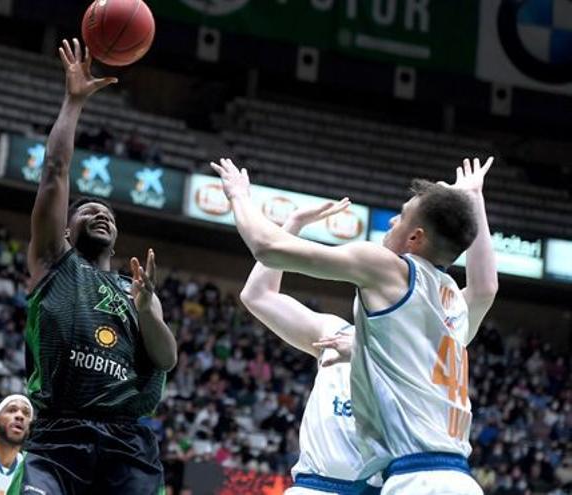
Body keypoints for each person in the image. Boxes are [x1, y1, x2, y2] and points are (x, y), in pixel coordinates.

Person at [211, 157, 498, 495]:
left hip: (417, 479)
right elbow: (485, 287)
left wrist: (239, 196)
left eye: (402, 216)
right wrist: (473, 199)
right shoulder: (450, 308)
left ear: (415, 238)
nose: (393, 220)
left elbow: (267, 247)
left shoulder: (389, 269)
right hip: (454, 477)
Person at [9, 39, 176, 495]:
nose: (102, 215)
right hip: (60, 435)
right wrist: (74, 101)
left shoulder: (137, 290)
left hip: (127, 443)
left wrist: (146, 308)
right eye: (89, 211)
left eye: (110, 215)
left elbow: (166, 358)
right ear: (65, 231)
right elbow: (55, 172)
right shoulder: (53, 264)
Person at [239, 198, 379, 494]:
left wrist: (365, 354)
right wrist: (293, 225)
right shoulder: (334, 330)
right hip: (314, 487)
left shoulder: (412, 349)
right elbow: (257, 296)